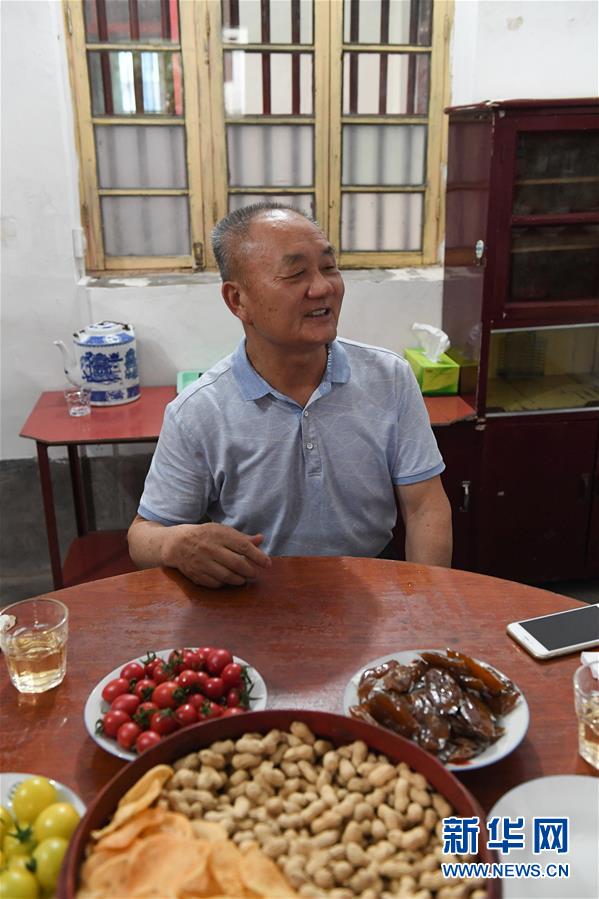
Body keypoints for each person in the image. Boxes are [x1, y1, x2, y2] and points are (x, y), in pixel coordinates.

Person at [128, 202, 452, 587]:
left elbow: (424, 506)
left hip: (372, 580)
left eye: (329, 267)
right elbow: (143, 534)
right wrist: (176, 544)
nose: (323, 287)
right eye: (296, 273)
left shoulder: (389, 377)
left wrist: (429, 602)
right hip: (253, 593)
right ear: (238, 300)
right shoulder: (199, 410)